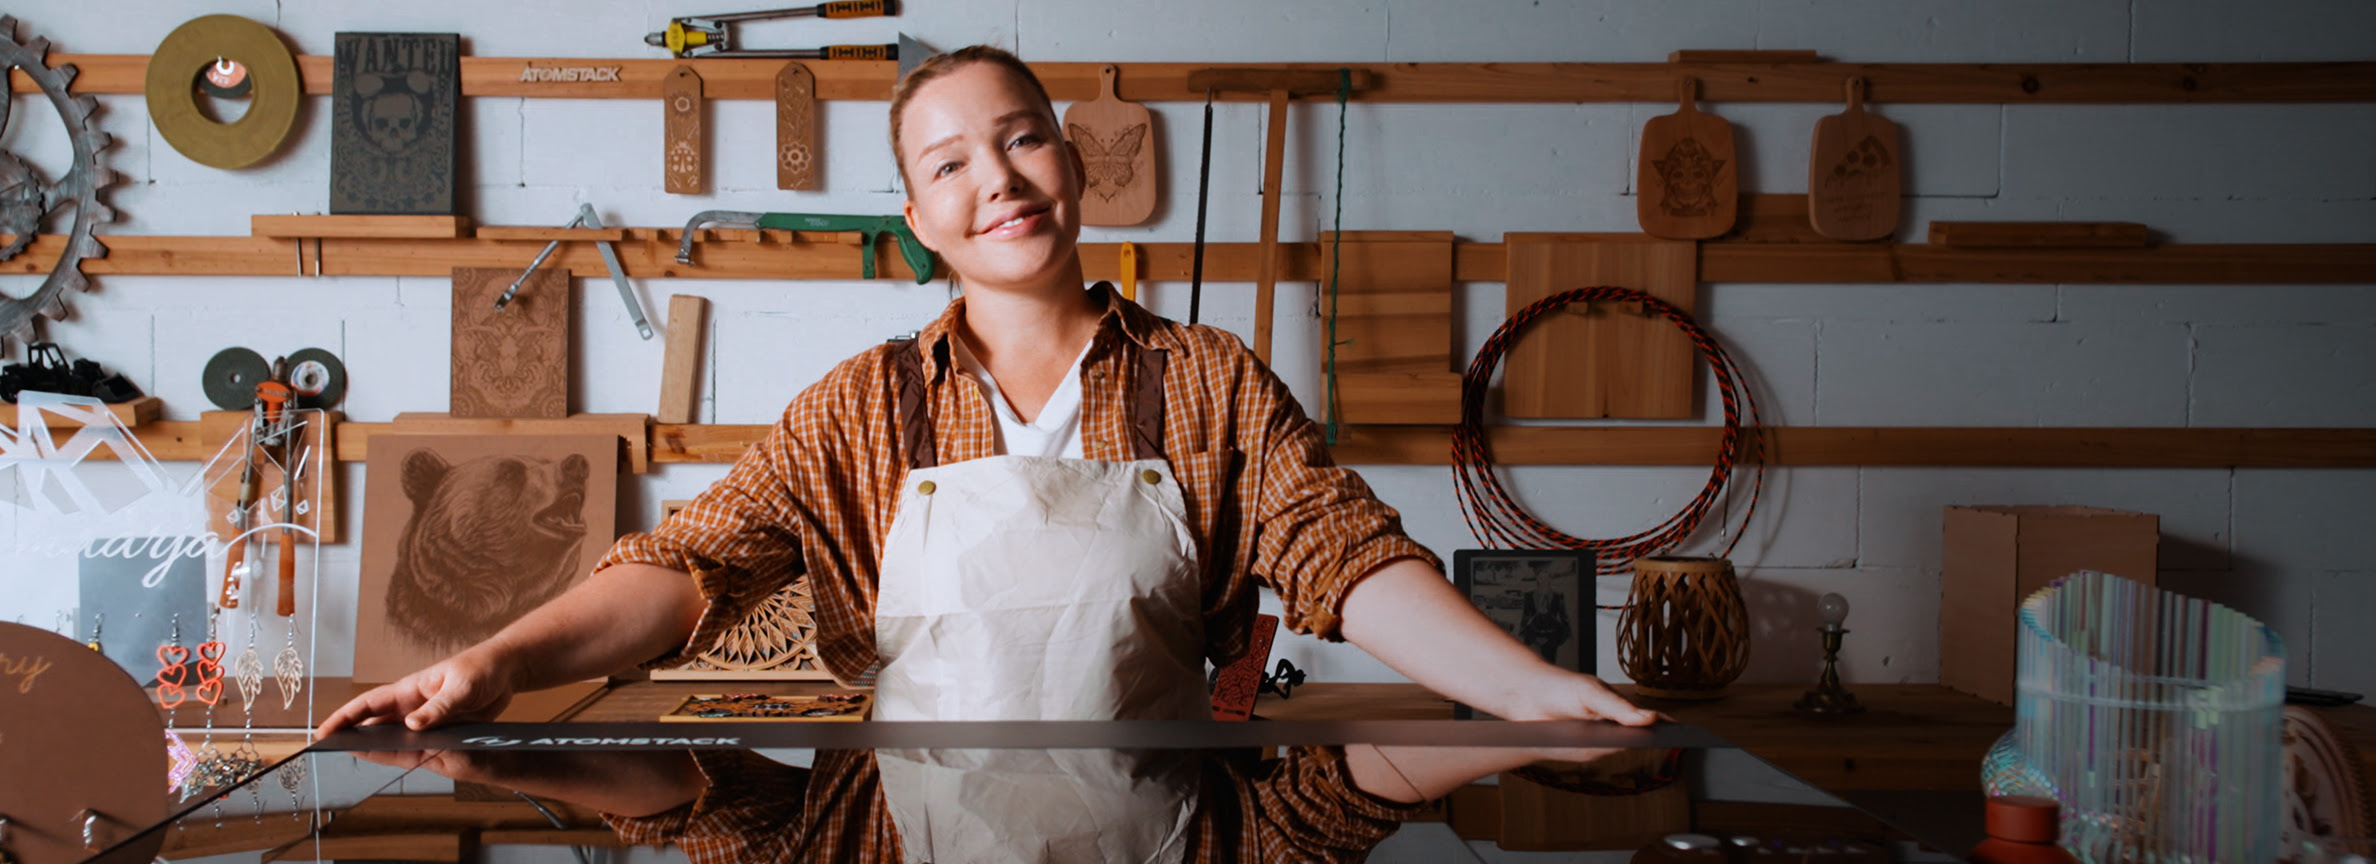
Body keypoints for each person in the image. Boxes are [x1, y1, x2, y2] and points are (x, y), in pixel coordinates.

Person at [321, 45, 1655, 738]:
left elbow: (1342, 555)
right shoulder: (856, 409)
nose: (998, 180)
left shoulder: (1205, 380)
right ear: (917, 216)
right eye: (950, 163)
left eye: (1021, 140)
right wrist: (493, 664)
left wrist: (1521, 688)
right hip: (916, 830)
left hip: (1164, 823)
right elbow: (684, 567)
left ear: (1069, 165)